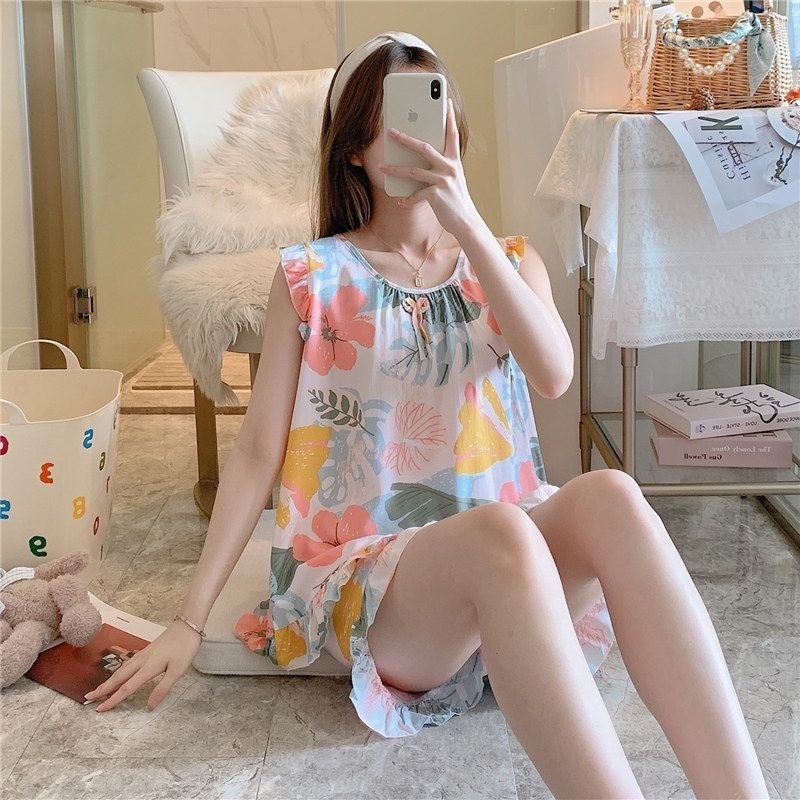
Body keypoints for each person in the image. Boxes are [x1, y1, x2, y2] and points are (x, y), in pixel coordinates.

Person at [85, 32, 770, 799]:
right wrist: (188, 619)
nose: (419, 139)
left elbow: (554, 375)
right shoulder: (311, 277)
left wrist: (467, 224)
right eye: (395, 123)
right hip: (378, 586)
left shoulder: (506, 262)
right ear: (354, 149)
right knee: (501, 532)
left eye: (431, 113)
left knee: (611, 494)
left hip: (515, 584)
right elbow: (254, 454)